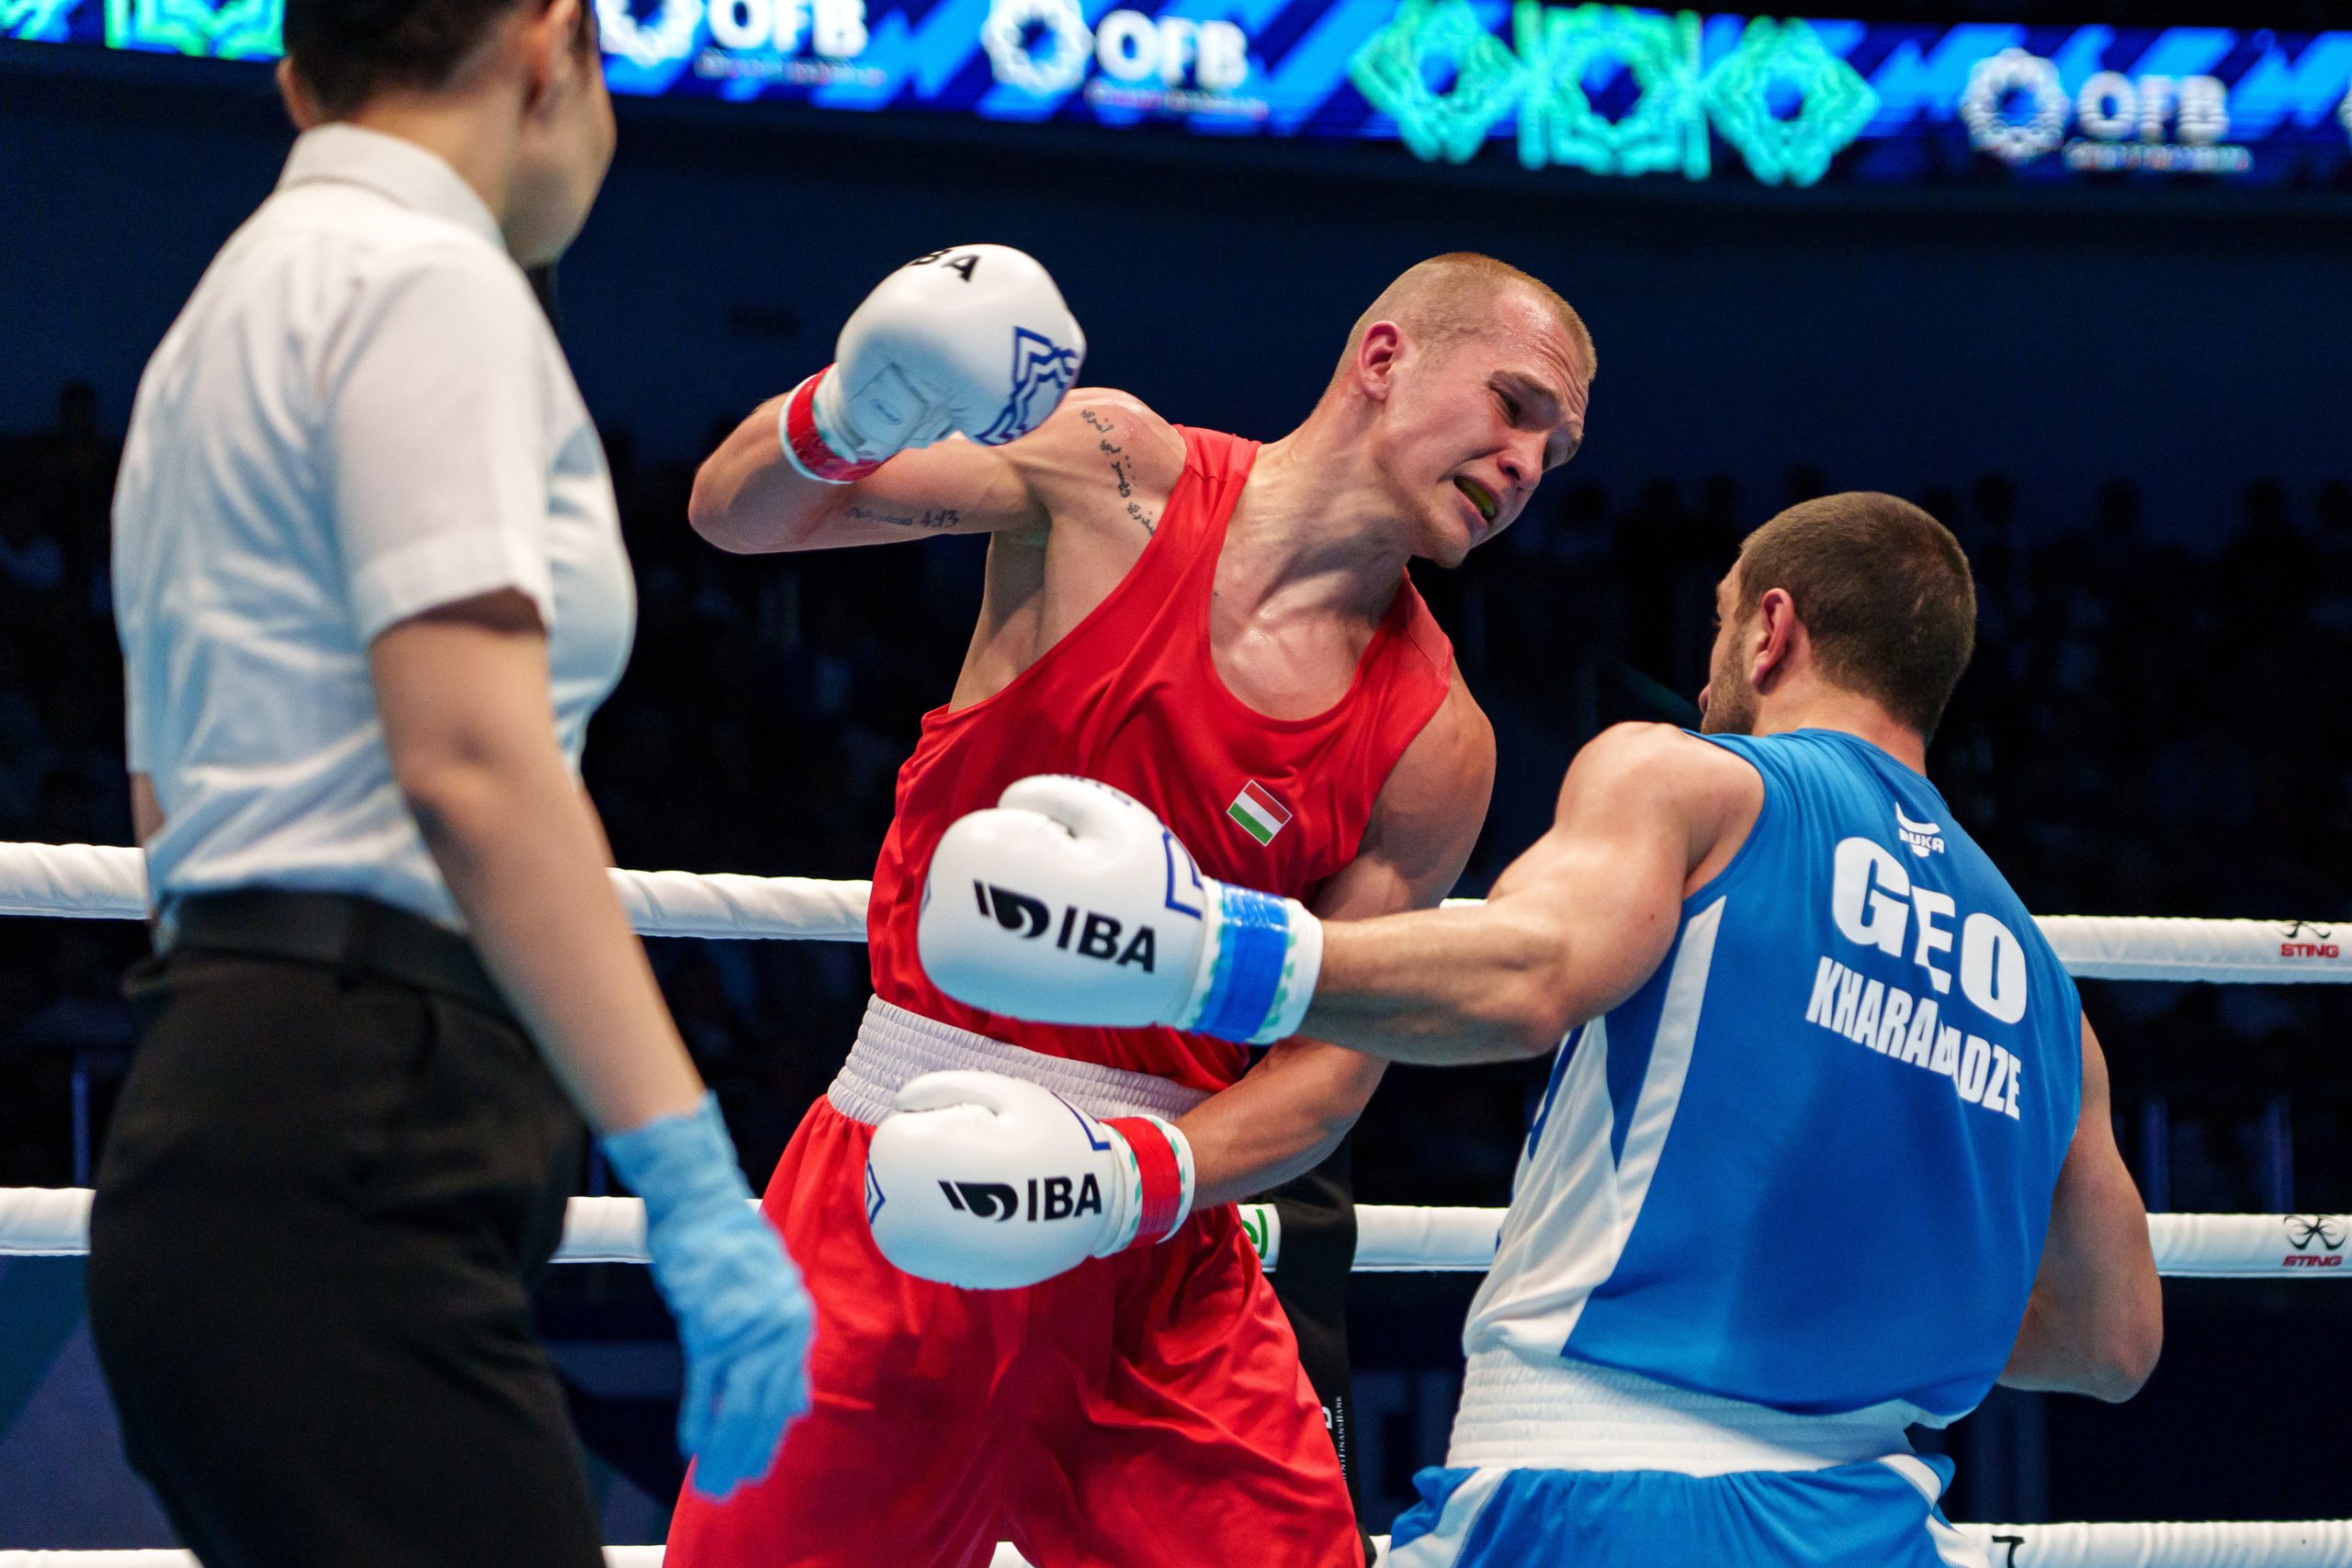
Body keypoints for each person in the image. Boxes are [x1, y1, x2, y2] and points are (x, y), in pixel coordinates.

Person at [921, 492, 2164, 1567]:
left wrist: (1189, 948)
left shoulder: (1698, 784)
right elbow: (2114, 1342)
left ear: (1773, 629)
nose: (1706, 673)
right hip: (1878, 1522)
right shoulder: (2047, 995)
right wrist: (1859, 1306)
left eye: (1721, 623)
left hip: (1603, 1500)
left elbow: (1531, 974)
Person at [668, 249, 1591, 1567]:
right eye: (1514, 404)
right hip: (895, 1187)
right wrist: (850, 403)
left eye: (1555, 449)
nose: (1526, 462)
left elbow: (1327, 1080)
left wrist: (1119, 1185)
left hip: (1158, 1252)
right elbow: (739, 516)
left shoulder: (1437, 741)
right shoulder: (1115, 472)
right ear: (1384, 359)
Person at [90, 2, 813, 1562]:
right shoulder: (429, 279)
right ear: (550, 44)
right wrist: (687, 1173)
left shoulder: (225, 311)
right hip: (360, 1142)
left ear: (301, 74)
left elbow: (169, 798)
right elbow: (472, 765)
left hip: (224, 1117)